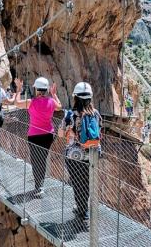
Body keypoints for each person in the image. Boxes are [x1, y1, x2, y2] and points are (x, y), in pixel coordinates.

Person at [14, 77, 62, 197]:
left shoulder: (32, 102)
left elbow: (16, 104)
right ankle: (40, 184)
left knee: (36, 161)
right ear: (46, 90)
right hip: (49, 134)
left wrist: (19, 89)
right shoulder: (51, 101)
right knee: (43, 158)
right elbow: (59, 107)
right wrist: (54, 94)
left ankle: (38, 186)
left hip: (34, 135)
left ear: (36, 89)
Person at [63, 82, 101, 221]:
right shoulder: (95, 114)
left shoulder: (70, 114)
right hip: (91, 154)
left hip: (73, 155)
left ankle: (81, 209)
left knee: (76, 182)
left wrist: (69, 131)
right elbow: (99, 132)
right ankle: (84, 209)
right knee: (86, 183)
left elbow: (61, 134)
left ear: (75, 98)